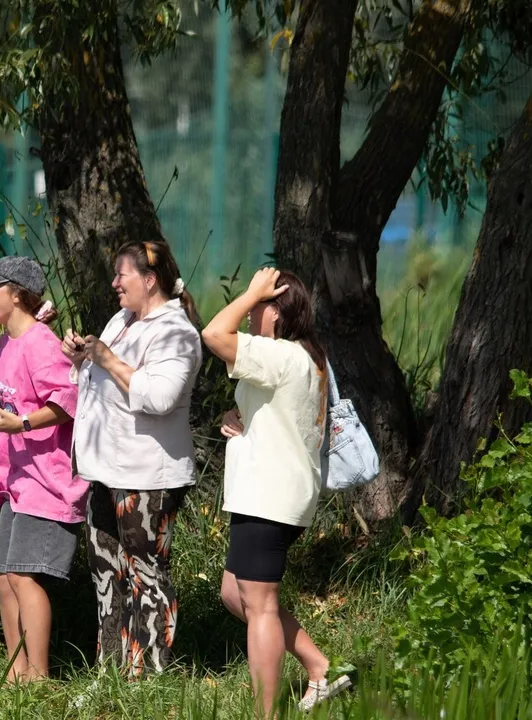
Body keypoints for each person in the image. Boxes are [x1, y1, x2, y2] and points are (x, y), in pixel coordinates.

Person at [201, 268, 351, 716]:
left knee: (261, 606)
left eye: (260, 305)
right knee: (236, 594)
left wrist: (248, 294)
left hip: (268, 495)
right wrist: (236, 415)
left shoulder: (279, 354)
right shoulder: (304, 357)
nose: (250, 314)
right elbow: (278, 414)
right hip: (275, 494)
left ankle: (265, 713)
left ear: (277, 312)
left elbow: (213, 332)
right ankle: (320, 666)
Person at [62, 240, 202, 677]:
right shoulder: (121, 320)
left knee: (147, 575)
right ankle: (110, 672)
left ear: (149, 280)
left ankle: (148, 675)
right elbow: (96, 381)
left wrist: (106, 358)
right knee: (106, 572)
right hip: (105, 472)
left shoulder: (177, 332)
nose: (114, 282)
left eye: (122, 275)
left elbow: (159, 397)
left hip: (147, 477)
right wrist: (81, 358)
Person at [0, 256, 86, 683]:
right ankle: (16, 673)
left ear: (16, 294)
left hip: (47, 483)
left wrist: (24, 423)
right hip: (16, 481)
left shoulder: (40, 342)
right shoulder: (6, 343)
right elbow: (8, 409)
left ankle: (38, 676)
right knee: (0, 573)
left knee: (23, 575)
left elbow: (67, 400)